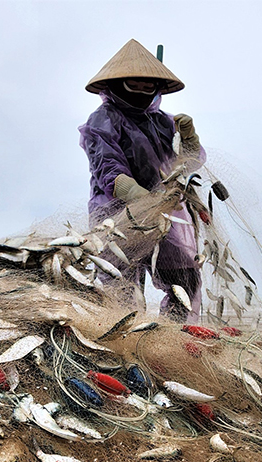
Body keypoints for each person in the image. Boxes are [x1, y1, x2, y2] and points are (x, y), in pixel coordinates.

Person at [78, 39, 204, 321]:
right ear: (119, 83)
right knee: (119, 285)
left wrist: (189, 138)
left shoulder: (163, 122)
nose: (143, 91)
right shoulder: (104, 118)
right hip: (117, 215)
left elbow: (189, 163)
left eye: (150, 86)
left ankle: (172, 340)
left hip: (163, 215)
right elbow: (107, 167)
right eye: (135, 84)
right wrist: (138, 196)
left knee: (184, 278)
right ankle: (122, 344)